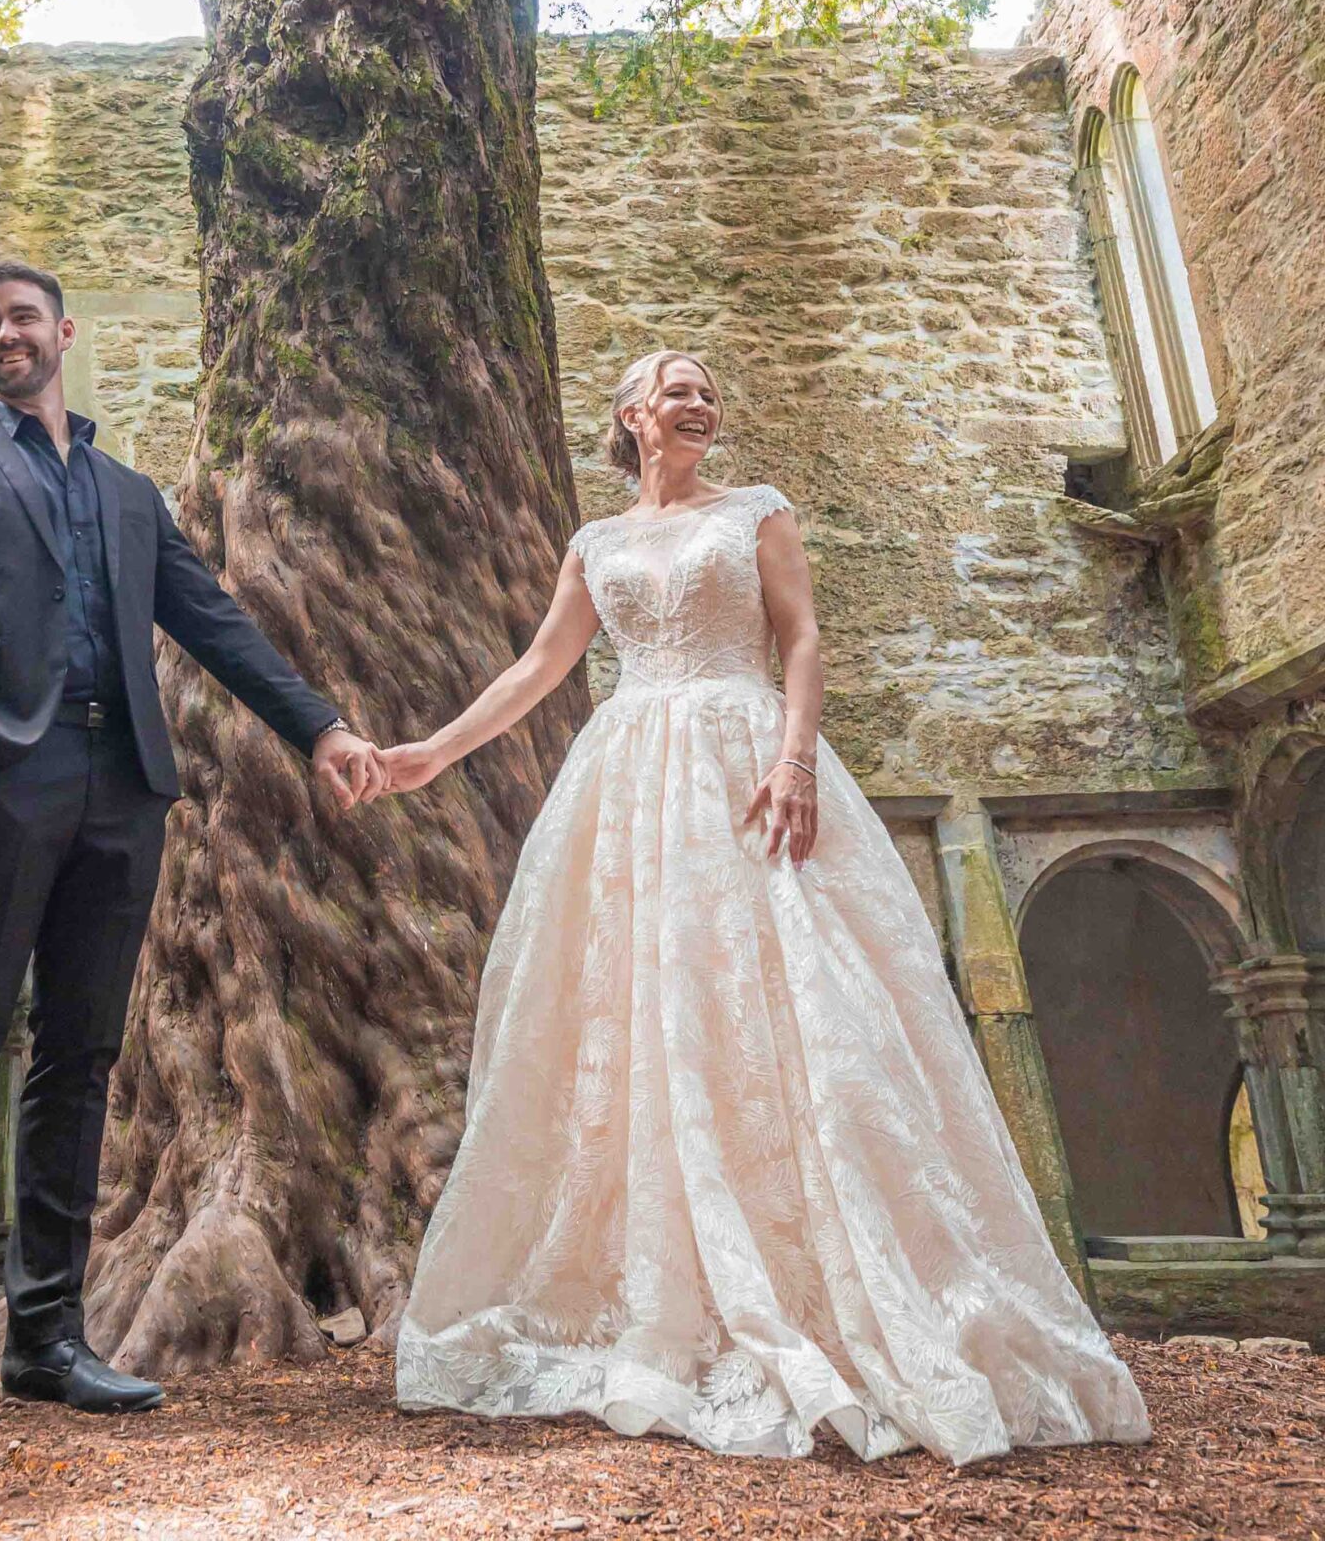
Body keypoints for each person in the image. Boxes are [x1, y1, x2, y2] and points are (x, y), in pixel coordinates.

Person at [379, 350, 1150, 1464]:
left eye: (708, 390)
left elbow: (799, 637)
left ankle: (833, 1278)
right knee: (637, 1001)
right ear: (632, 415)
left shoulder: (756, 513)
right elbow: (540, 667)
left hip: (745, 762)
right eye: (678, 389)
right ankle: (664, 1285)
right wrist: (432, 753)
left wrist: (793, 760)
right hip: (630, 778)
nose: (699, 403)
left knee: (790, 997)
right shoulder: (594, 543)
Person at [0, 260, 384, 1452]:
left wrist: (320, 728)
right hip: (1, 782)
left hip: (122, 789)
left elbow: (214, 622)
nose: (3, 334)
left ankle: (46, 1339)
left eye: (21, 317)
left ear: (63, 332)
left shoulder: (127, 493)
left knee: (79, 1060)